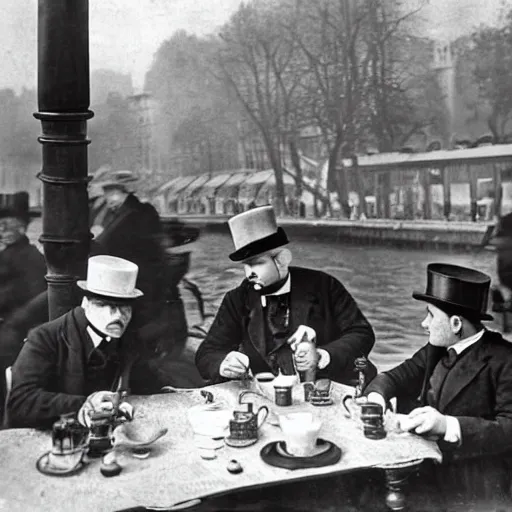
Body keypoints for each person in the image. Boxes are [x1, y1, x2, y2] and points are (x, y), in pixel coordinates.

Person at [364, 263, 512, 508]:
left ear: (456, 324)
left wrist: (447, 425)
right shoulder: (436, 349)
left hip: (477, 484)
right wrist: (376, 403)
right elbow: (392, 379)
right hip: (426, 467)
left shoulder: (505, 359)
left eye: (431, 315)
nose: (424, 323)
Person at [195, 205, 376, 385]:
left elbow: (362, 334)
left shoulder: (325, 286)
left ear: (282, 260)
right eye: (246, 265)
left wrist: (323, 354)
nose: (249, 273)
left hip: (323, 389)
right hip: (264, 396)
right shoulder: (237, 299)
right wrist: (223, 363)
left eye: (257, 263)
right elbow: (208, 352)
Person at [6, 255, 166, 430]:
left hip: (105, 434)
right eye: (108, 306)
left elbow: (148, 381)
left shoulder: (128, 338)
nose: (118, 316)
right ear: (86, 304)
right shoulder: (45, 338)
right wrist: (83, 404)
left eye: (125, 307)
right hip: (51, 436)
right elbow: (20, 402)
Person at [0, 192, 47, 422]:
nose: (1, 230)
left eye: (7, 224)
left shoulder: (30, 258)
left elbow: (37, 300)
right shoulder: (8, 254)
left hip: (15, 333)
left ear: (22, 226)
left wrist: (14, 321)